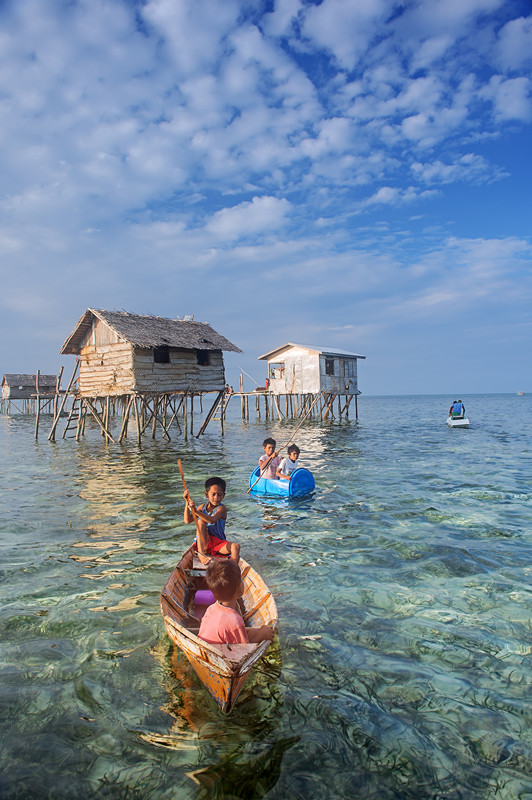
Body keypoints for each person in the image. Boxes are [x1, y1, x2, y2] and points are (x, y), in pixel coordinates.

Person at [198, 559, 275, 645]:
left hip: (207, 646)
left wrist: (257, 631)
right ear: (239, 589)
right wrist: (262, 635)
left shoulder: (211, 609)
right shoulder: (234, 621)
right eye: (241, 580)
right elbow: (244, 649)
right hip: (225, 654)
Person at [183, 477, 240, 563]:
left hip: (218, 544)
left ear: (224, 495)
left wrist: (195, 511)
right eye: (213, 494)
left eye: (219, 495)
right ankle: (201, 554)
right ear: (206, 494)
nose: (216, 498)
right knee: (200, 522)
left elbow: (212, 520)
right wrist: (187, 502)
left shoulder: (222, 508)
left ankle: (232, 565)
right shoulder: (202, 508)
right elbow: (187, 520)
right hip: (204, 543)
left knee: (235, 546)